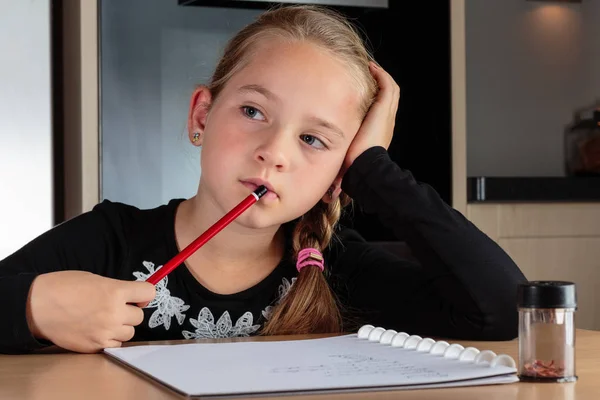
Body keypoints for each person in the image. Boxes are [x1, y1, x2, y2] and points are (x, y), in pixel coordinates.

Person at [0, 5, 527, 355]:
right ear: (201, 116)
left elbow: (503, 309)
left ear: (338, 176)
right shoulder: (109, 238)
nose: (273, 152)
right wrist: (34, 307)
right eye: (253, 110)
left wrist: (374, 169)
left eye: (314, 140)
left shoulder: (340, 270)